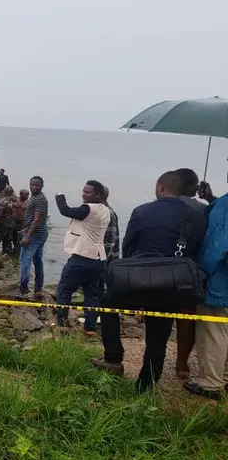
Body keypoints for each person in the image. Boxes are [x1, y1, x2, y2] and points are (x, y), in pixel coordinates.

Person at [92, 171, 206, 392]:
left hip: (138, 283)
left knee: (107, 304)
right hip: (172, 286)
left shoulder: (142, 211)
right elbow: (195, 252)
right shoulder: (197, 216)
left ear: (161, 187)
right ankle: (145, 386)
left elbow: (129, 248)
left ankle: (113, 357)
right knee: (158, 338)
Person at [184, 180, 228, 400]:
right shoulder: (223, 202)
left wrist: (200, 273)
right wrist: (211, 199)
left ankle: (210, 383)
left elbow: (217, 245)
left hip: (220, 284)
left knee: (213, 332)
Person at [54, 180, 110, 335]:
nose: (84, 194)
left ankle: (63, 324)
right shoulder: (105, 210)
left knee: (64, 290)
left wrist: (59, 197)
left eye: (88, 192)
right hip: (99, 259)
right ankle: (89, 328)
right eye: (83, 191)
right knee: (92, 294)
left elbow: (65, 210)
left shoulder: (88, 209)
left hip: (82, 258)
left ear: (98, 194)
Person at [174, 168, 207, 379]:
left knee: (161, 315)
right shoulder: (204, 209)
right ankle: (181, 362)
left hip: (163, 268)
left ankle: (154, 358)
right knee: (187, 319)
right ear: (194, 188)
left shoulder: (161, 206)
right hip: (192, 270)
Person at [19, 176, 49, 297]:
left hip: (35, 234)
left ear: (42, 186)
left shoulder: (40, 199)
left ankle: (24, 288)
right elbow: (33, 218)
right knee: (37, 260)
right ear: (29, 184)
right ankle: (38, 288)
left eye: (37, 185)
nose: (34, 187)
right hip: (38, 233)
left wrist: (28, 236)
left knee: (24, 261)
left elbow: (37, 220)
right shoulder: (35, 197)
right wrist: (25, 230)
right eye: (33, 184)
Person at [0, 186, 16, 255]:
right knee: (7, 241)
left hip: (3, 223)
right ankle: (7, 256)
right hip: (11, 224)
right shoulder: (14, 201)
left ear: (4, 192)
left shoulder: (3, 201)